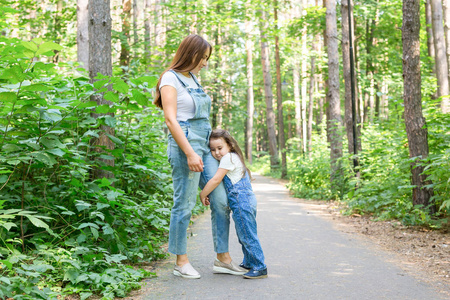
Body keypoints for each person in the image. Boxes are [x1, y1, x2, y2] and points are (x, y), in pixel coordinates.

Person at [153, 35, 247, 279]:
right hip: (185, 143)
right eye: (203, 57)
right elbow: (171, 119)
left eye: (207, 58)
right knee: (184, 203)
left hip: (205, 143)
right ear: (190, 53)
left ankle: (223, 258)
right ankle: (181, 261)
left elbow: (203, 118)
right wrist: (189, 153)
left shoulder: (193, 78)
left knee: (220, 198)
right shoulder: (169, 78)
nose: (205, 63)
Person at [199, 129, 268, 279]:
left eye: (219, 148)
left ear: (229, 145)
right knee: (243, 233)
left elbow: (216, 180)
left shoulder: (228, 158)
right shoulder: (232, 157)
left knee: (247, 235)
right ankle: (249, 262)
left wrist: (202, 193)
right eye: (212, 150)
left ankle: (260, 266)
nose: (216, 153)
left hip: (242, 201)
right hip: (244, 201)